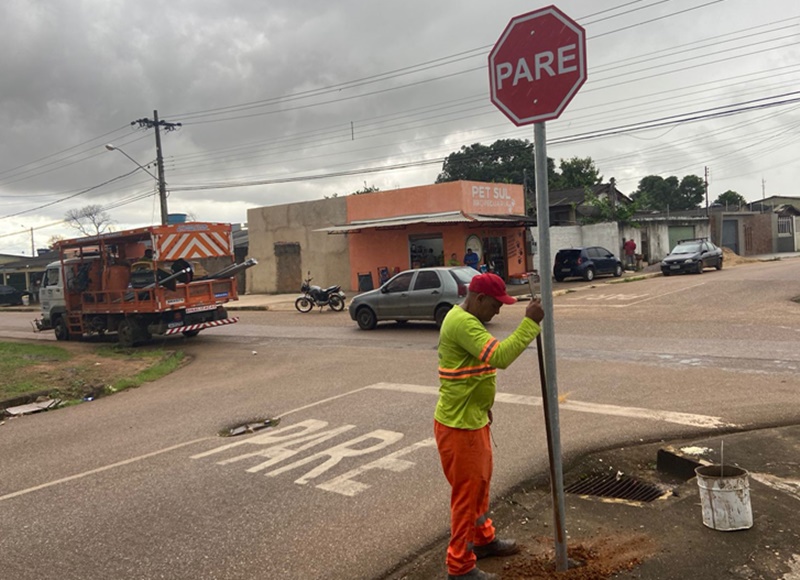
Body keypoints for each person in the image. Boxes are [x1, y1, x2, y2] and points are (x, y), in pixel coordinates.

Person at [434, 272, 545, 580]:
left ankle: (483, 539)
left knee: (480, 488)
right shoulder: (463, 323)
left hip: (472, 418)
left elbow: (472, 371)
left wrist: (483, 405)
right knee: (467, 497)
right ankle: (459, 567)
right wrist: (530, 323)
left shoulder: (468, 318)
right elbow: (500, 356)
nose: (498, 311)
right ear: (480, 299)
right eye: (496, 305)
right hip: (460, 428)